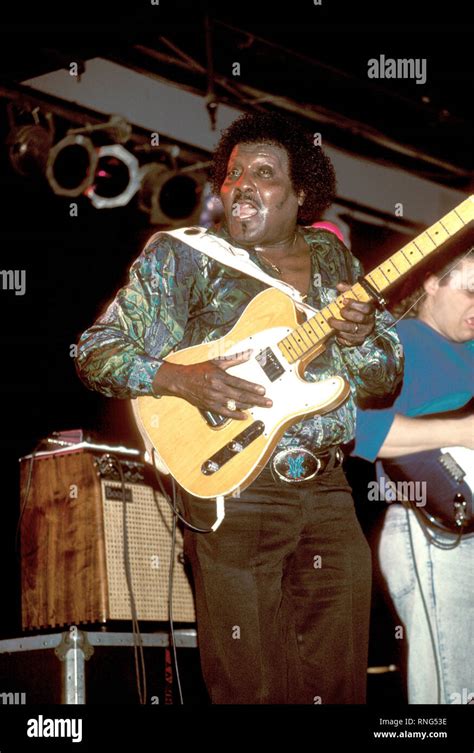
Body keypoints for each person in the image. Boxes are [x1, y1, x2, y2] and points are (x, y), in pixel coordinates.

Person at [75, 112, 402, 704]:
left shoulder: (338, 266)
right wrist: (179, 378)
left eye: (263, 173)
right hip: (235, 491)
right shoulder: (184, 258)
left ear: (302, 194)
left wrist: (361, 341)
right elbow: (95, 353)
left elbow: (384, 377)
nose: (242, 185)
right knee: (250, 686)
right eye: (232, 175)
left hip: (330, 491)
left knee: (339, 683)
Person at [353, 245, 474, 704]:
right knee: (453, 691)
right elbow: (361, 432)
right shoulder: (396, 342)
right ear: (431, 282)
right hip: (434, 528)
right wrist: (461, 431)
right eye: (471, 289)